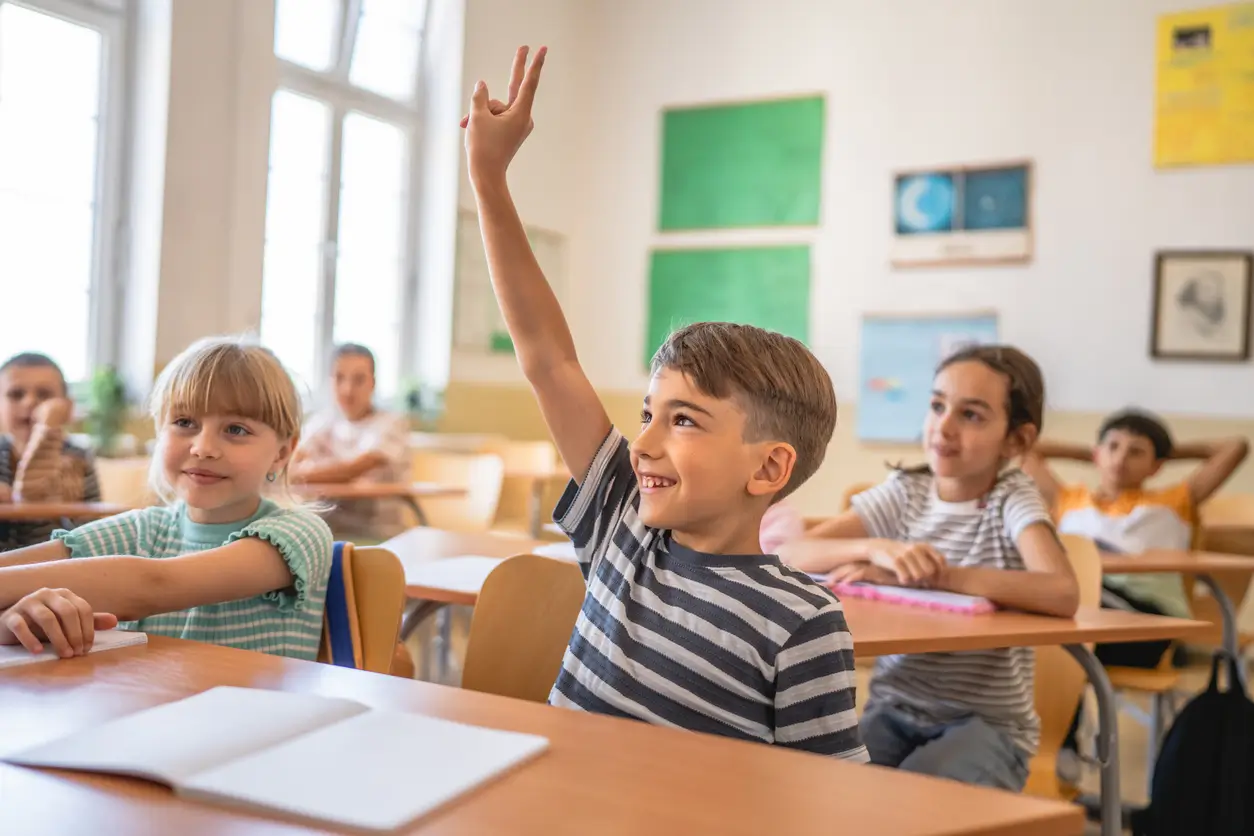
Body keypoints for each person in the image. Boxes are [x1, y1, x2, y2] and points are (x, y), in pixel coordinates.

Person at [460, 45, 867, 760]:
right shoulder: (622, 524)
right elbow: (548, 359)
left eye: (683, 421)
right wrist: (488, 178)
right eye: (649, 413)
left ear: (768, 469)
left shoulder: (802, 623)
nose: (643, 442)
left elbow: (825, 795)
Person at [778, 345, 1079, 790]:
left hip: (985, 726)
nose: (944, 426)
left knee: (914, 800)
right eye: (938, 406)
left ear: (1016, 440)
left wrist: (938, 576)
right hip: (893, 708)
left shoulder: (1011, 498)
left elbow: (1062, 592)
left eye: (971, 415)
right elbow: (789, 552)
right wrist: (875, 549)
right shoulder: (907, 492)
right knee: (824, 790)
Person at [0, 336, 333, 661]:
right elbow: (20, 568)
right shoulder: (143, 530)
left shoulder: (301, 533)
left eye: (236, 429)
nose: (202, 448)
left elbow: (152, 584)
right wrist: (11, 622)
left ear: (282, 453)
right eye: (184, 422)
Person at [1023, 409, 1248, 773]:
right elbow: (1026, 449)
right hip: (1083, 617)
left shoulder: (1176, 502)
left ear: (1157, 466)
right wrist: (1092, 452)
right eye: (1113, 448)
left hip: (1146, 625)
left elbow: (1235, 447)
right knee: (1045, 632)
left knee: (1059, 623)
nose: (1121, 459)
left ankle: (1060, 749)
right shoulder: (1069, 499)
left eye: (1136, 452)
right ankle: (1052, 751)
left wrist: (1167, 452)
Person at [291, 344, 411, 540]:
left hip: (378, 535)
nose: (347, 390)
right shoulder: (325, 420)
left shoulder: (392, 424)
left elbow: (351, 471)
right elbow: (294, 458)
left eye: (359, 380)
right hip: (328, 529)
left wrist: (294, 475)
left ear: (373, 383)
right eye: (339, 378)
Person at [0, 353, 101, 550]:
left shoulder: (78, 458)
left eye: (44, 394)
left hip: (51, 559)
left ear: (68, 407)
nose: (29, 402)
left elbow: (93, 528)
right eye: (16, 394)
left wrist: (69, 507)